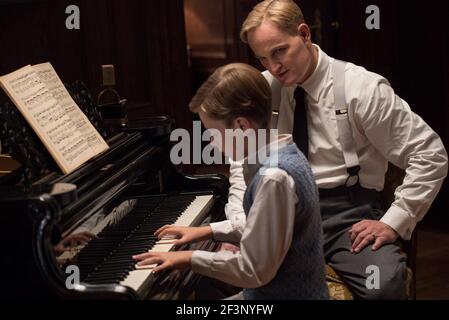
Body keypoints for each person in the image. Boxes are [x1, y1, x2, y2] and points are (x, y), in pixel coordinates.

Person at [236, 0, 448, 299]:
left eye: (279, 51)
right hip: (278, 212)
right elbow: (240, 160)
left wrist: (395, 220)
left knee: (383, 287)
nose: (273, 67)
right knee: (210, 276)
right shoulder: (262, 89)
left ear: (305, 34)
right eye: (263, 58)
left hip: (346, 215)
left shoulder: (361, 88)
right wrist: (240, 226)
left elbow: (430, 154)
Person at [133, 63, 329, 300]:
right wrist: (206, 231)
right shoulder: (289, 153)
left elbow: (254, 270)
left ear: (241, 126)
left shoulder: (272, 178)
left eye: (214, 134)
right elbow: (259, 228)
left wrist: (189, 258)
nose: (213, 144)